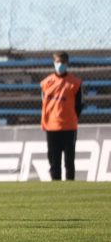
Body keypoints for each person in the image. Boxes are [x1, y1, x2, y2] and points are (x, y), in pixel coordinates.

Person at [41, 51, 83, 180]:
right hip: (52, 127)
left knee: (69, 162)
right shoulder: (46, 83)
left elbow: (79, 105)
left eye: (63, 62)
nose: (60, 65)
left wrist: (71, 118)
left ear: (67, 63)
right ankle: (56, 188)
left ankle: (70, 188)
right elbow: (44, 104)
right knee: (54, 162)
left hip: (69, 127)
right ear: (54, 63)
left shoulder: (75, 83)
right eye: (58, 62)